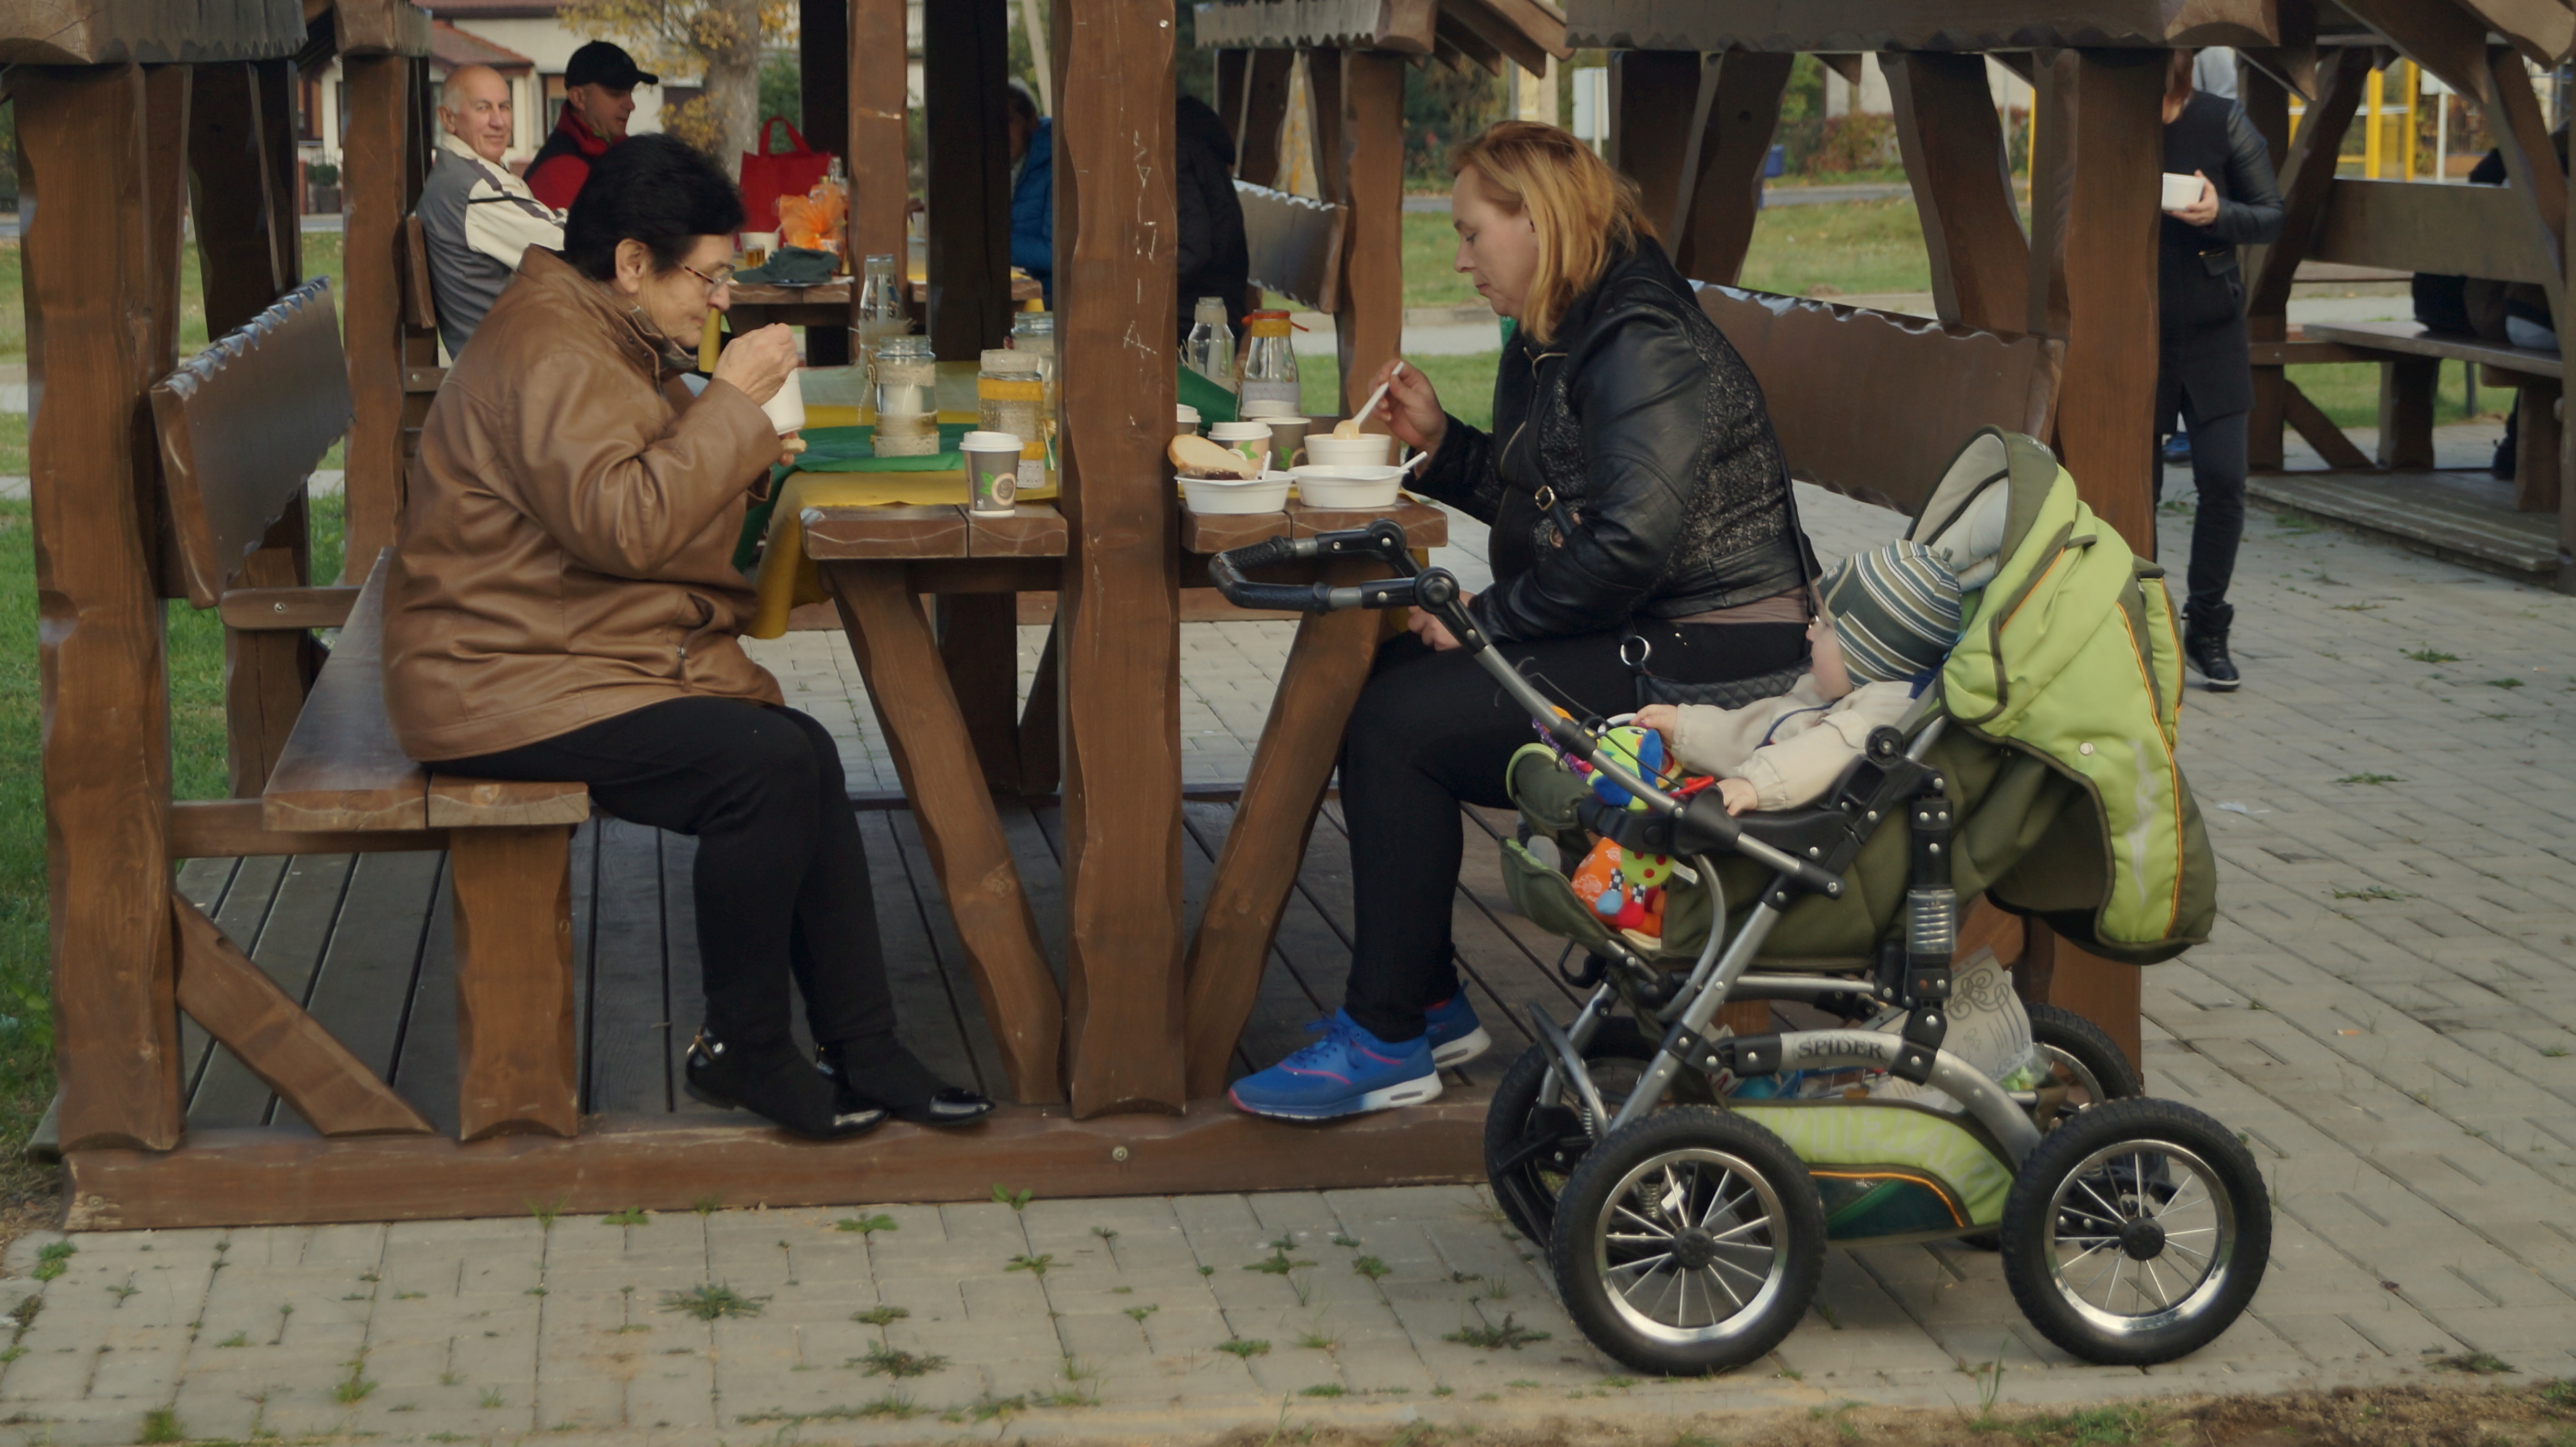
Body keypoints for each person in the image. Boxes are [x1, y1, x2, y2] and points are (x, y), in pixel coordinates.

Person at [382, 135, 991, 1140]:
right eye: (705, 278)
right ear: (633, 263)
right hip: (492, 679)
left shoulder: (594, 332)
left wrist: (739, 445)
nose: (718, 300)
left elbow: (635, 499)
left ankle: (865, 1045)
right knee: (761, 768)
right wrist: (735, 408)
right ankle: (744, 1049)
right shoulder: (552, 351)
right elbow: (625, 524)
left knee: (800, 752)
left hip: (550, 652)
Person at [1226, 121, 1818, 1121]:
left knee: (1401, 727)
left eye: (1472, 233)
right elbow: (1555, 505)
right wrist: (1444, 445)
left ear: (1538, 221)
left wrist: (1490, 619)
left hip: (1721, 655)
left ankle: (1386, 1036)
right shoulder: (1568, 325)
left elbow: (1629, 544)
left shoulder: (1638, 339)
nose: (1461, 260)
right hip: (1659, 626)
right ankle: (1422, 1002)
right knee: (1385, 690)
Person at [1634, 542, 1962, 815]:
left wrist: (1755, 785)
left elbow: (1821, 755)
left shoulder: (1881, 715)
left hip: (1786, 829)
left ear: (1867, 654)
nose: (1810, 633)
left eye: (1826, 626)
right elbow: (1755, 732)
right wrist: (1686, 729)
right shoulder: (1826, 691)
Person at [2155, 47, 2282, 694]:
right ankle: (2137, 626)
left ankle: (2206, 625)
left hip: (2212, 333)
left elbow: (2271, 215)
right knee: (2134, 487)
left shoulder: (2221, 119)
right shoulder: (2108, 122)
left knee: (2224, 480)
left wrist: (2218, 214)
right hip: (2136, 335)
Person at [415, 64, 564, 358]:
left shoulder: (461, 173)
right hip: (511, 365)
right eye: (483, 108)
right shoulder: (475, 189)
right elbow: (567, 244)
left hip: (510, 353)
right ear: (447, 118)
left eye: (504, 107)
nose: (499, 122)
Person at [525, 40, 654, 211]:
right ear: (579, 98)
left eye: (630, 92)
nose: (631, 105)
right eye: (615, 94)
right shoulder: (559, 172)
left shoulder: (624, 151)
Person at [1175, 94, 1250, 340]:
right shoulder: (1192, 141)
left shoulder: (1177, 151)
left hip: (1205, 320)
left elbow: (1191, 251)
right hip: (1211, 305)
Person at [1005, 80, 1054, 306]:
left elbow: (1056, 253)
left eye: (1007, 120)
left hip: (1055, 301)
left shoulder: (1057, 166)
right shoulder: (1006, 165)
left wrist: (984, 243)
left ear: (1032, 120)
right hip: (1017, 290)